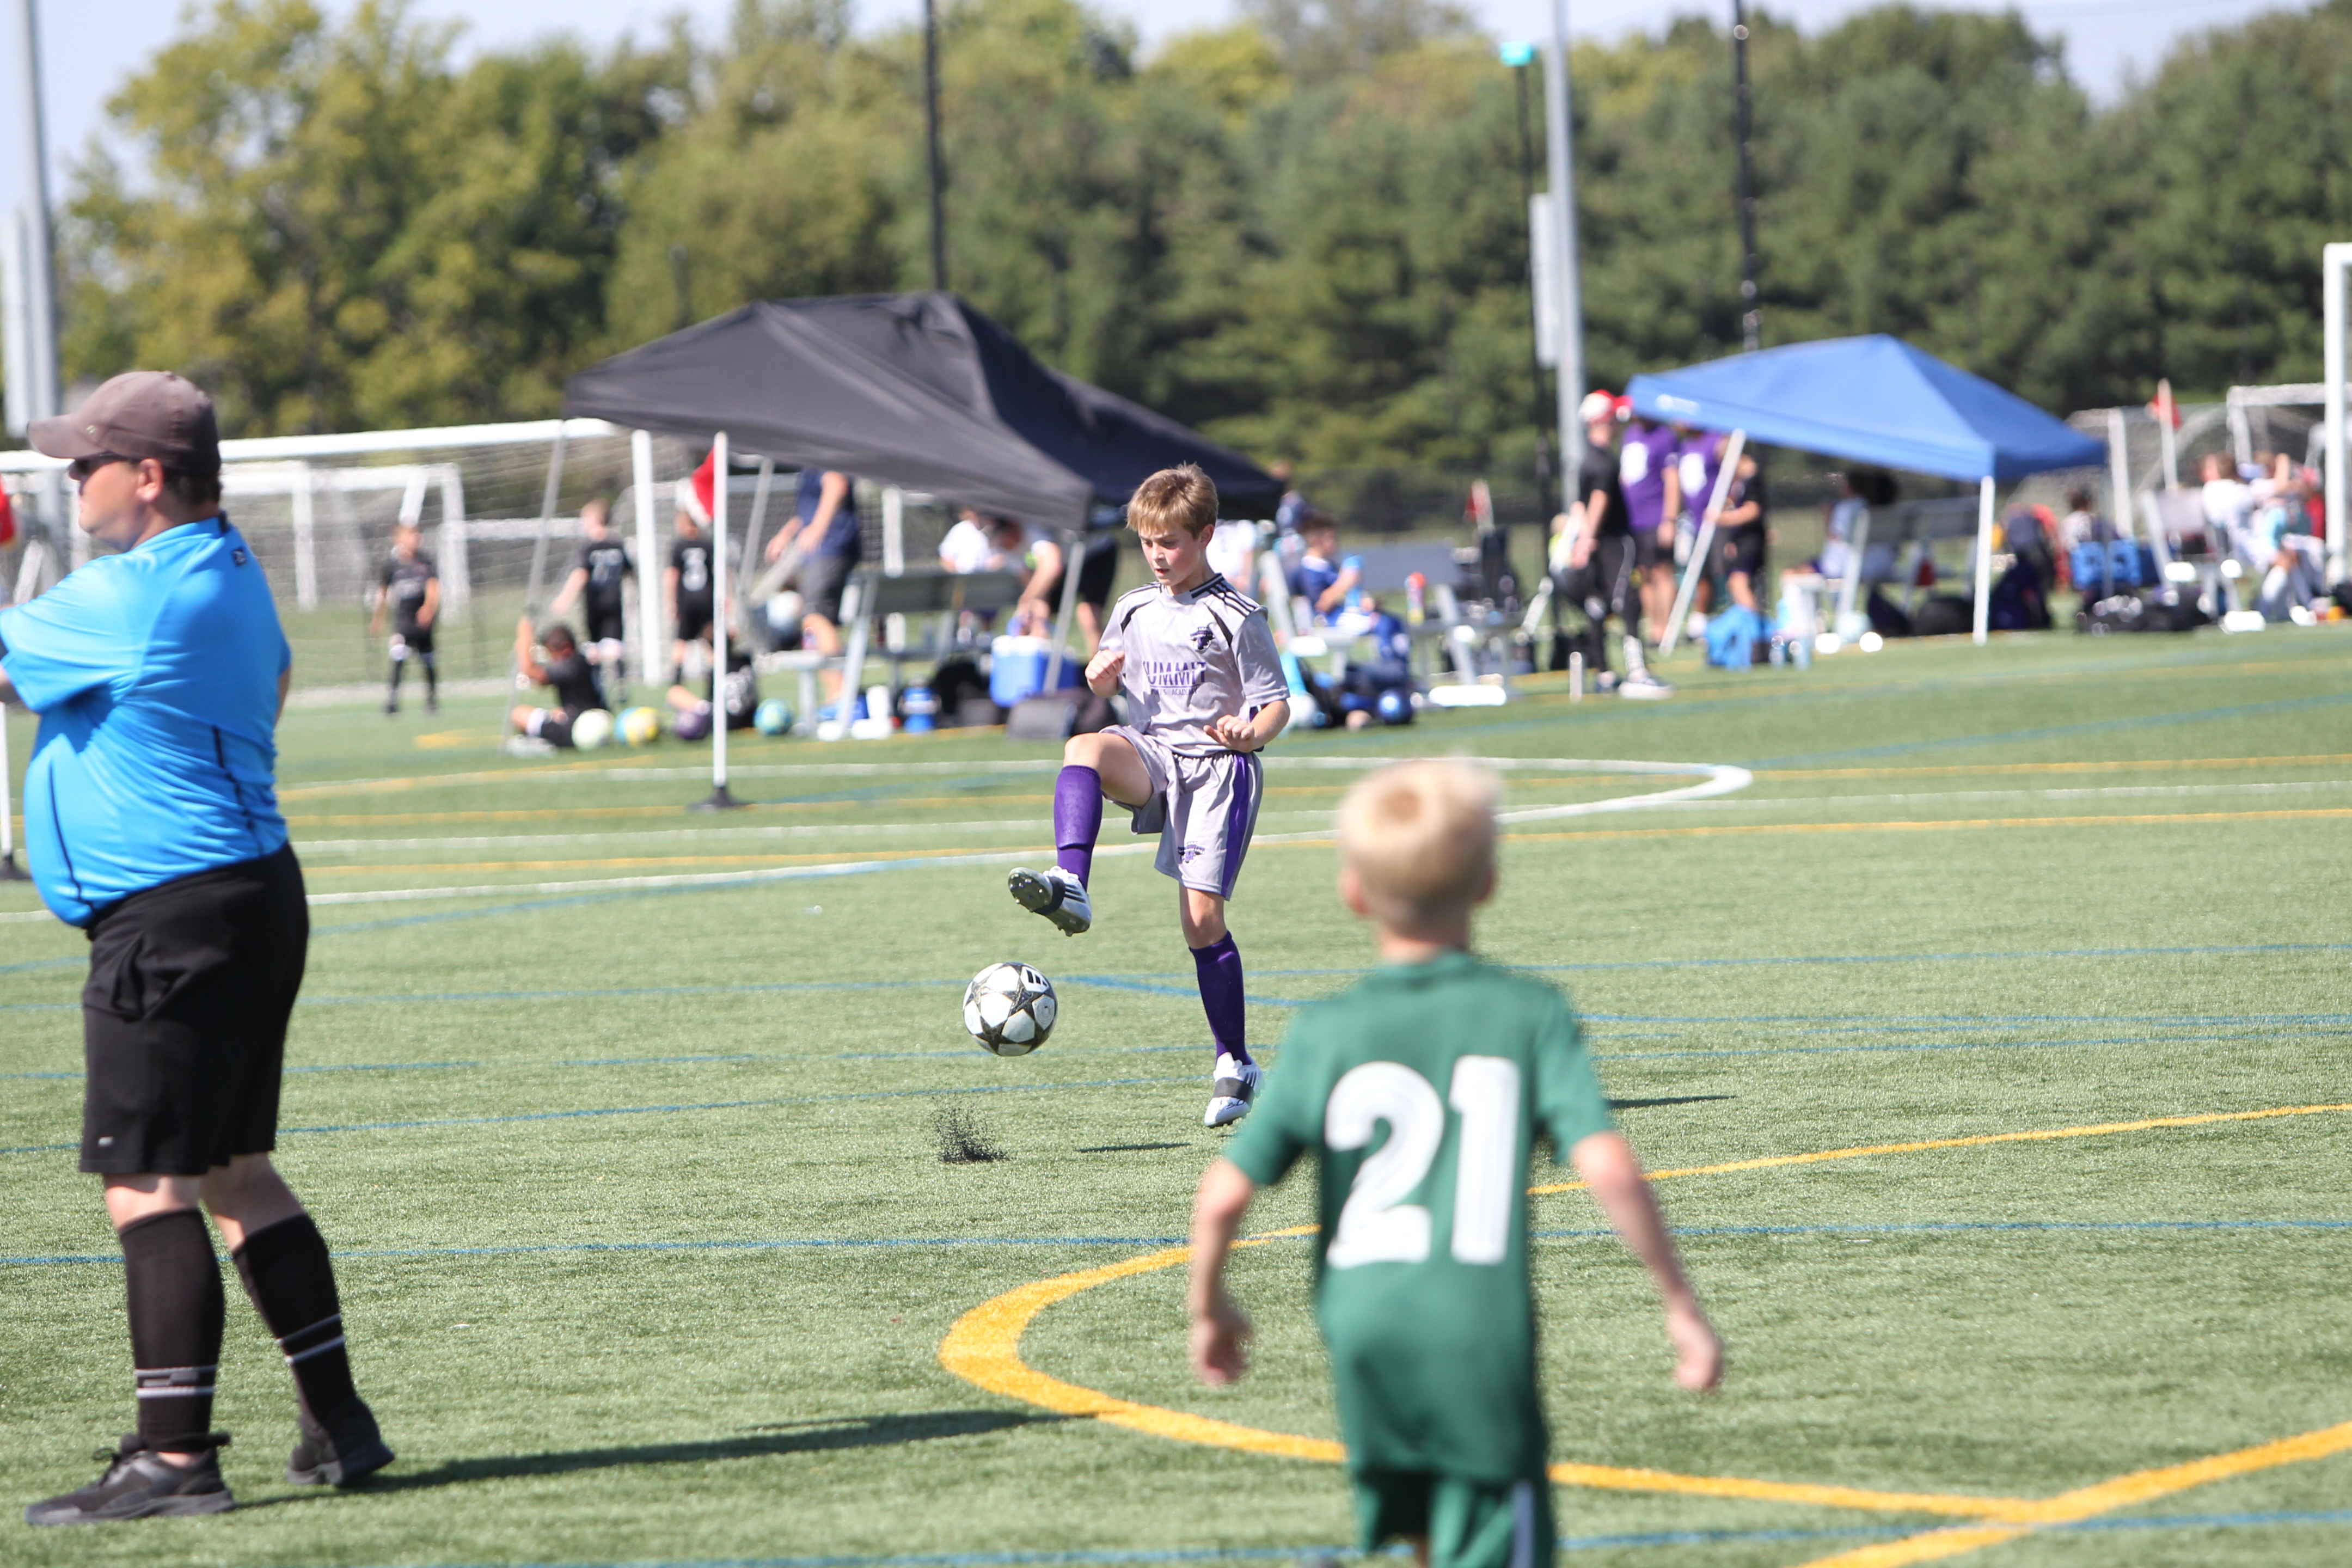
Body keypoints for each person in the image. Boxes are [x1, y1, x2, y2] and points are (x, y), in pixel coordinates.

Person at [0, 371, 392, 1524]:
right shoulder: (231, 565)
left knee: (146, 1182)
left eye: (86, 463)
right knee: (236, 1174)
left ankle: (174, 1458)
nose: (73, 480)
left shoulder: (126, 594)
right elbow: (274, 678)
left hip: (169, 914)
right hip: (253, 893)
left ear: (147, 477)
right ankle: (338, 1423)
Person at [1187, 759, 1722, 1568]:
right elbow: (1609, 1166)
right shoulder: (1525, 1014)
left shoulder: (1328, 1031)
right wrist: (1680, 1303)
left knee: (1430, 1534)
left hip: (1361, 1328)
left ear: (1354, 893)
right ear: (1489, 883)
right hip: (1472, 1326)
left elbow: (1226, 1191)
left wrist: (1211, 1306)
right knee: (1495, 1532)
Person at [1004, 464, 1290, 1128]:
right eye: (1148, 542)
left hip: (1218, 768)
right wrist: (1100, 677)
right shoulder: (1133, 607)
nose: (1158, 555)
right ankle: (1071, 883)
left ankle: (1235, 1062)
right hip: (1156, 753)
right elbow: (1106, 679)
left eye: (1171, 543)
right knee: (1085, 748)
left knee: (1200, 922)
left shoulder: (1236, 615)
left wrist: (1251, 733)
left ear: (1206, 536)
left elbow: (1277, 703)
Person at [1555, 392, 1669, 698]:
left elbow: (1580, 505)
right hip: (1613, 541)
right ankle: (1638, 672)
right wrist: (1587, 540)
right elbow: (1598, 501)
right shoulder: (1603, 462)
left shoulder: (1587, 460)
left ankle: (1604, 673)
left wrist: (1582, 539)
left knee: (1598, 604)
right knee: (1627, 601)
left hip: (1596, 541)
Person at [763, 468, 860, 705]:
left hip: (830, 548)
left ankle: (840, 698)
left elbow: (837, 483)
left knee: (816, 617)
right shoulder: (807, 466)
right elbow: (810, 511)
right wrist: (786, 534)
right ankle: (837, 696)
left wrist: (819, 527)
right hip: (823, 552)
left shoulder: (822, 455)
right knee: (817, 620)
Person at [548, 496, 634, 702]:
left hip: (594, 602)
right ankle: (621, 685)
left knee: (594, 648)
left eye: (585, 519)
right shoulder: (617, 543)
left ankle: (598, 686)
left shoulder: (588, 546)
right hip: (614, 600)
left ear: (596, 519)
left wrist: (564, 599)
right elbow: (629, 571)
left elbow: (581, 575)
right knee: (615, 645)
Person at [1618, 410, 1682, 650]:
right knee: (1644, 574)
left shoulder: (1664, 436)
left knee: (1662, 572)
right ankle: (1653, 626)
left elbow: (1672, 479)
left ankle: (1665, 628)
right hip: (1633, 520)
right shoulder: (1629, 436)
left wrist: (1670, 519)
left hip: (1656, 517)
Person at [369, 520, 439, 715]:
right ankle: (393, 701)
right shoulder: (391, 566)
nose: (415, 538)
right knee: (398, 657)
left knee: (428, 661)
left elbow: (434, 588)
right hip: (403, 622)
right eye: (411, 534)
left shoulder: (425, 562)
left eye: (417, 534)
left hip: (423, 622)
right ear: (398, 539)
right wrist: (378, 617)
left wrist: (428, 607)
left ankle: (432, 701)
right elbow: (383, 593)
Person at [509, 615, 608, 748]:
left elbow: (532, 674)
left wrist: (525, 637)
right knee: (553, 713)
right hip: (599, 720)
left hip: (579, 729)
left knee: (519, 714)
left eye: (552, 654)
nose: (552, 660)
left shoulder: (571, 665)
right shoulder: (581, 661)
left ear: (565, 649)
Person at [1709, 449, 1768, 612]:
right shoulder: (1740, 480)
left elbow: (1752, 511)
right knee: (1737, 583)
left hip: (1750, 540)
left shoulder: (1752, 478)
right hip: (1741, 539)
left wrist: (1722, 518)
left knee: (1738, 583)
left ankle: (1751, 624)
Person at [665, 507, 715, 684]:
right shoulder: (708, 545)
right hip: (707, 600)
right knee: (710, 643)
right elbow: (720, 572)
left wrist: (672, 603)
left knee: (681, 642)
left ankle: (676, 684)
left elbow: (672, 575)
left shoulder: (679, 546)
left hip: (687, 601)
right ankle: (714, 683)